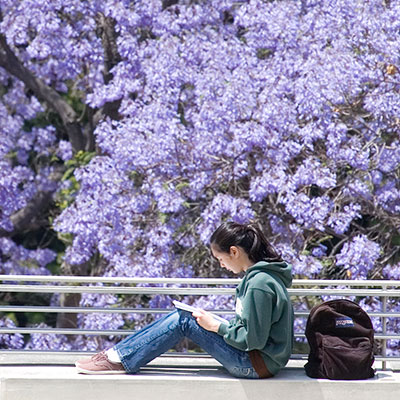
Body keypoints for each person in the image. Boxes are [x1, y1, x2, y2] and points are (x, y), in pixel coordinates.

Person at [75, 221, 294, 378]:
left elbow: (252, 340)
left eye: (220, 258)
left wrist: (218, 327)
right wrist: (217, 324)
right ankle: (116, 356)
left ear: (234, 252)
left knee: (184, 320)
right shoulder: (260, 279)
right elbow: (250, 331)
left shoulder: (259, 285)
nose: (221, 265)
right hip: (257, 360)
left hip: (255, 364)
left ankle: (119, 360)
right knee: (186, 316)